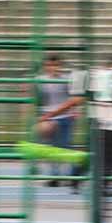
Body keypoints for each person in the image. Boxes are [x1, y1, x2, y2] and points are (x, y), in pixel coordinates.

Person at [36, 55, 84, 190]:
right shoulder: (40, 80)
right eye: (50, 65)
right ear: (45, 67)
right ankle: (55, 176)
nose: (53, 68)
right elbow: (38, 99)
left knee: (64, 146)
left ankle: (76, 170)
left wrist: (76, 110)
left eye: (56, 65)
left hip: (64, 116)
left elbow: (74, 99)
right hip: (47, 117)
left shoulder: (67, 79)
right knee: (51, 147)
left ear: (61, 66)